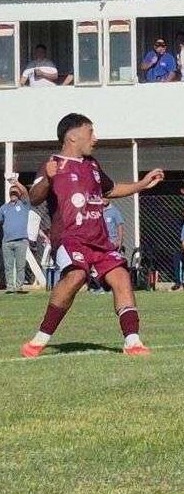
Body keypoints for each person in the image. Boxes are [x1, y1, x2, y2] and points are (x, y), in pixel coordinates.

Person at [20, 113, 163, 357]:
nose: (94, 139)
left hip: (100, 240)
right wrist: (49, 179)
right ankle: (39, 339)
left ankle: (133, 341)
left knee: (121, 277)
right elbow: (34, 197)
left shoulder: (92, 165)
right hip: (69, 238)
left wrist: (141, 184)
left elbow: (112, 189)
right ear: (72, 136)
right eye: (90, 133)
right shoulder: (53, 164)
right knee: (76, 275)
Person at [0, 185, 31, 293]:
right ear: (9, 194)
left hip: (21, 241)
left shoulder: (24, 205)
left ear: (19, 194)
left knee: (20, 266)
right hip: (7, 242)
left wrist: (17, 183)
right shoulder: (3, 208)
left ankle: (19, 287)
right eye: (12, 193)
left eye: (15, 193)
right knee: (8, 266)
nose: (13, 195)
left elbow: (26, 194)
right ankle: (10, 287)